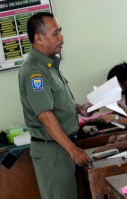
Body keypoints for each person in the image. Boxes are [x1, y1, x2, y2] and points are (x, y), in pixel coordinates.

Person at [18, 12, 92, 199]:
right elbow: (44, 115)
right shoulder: (35, 71)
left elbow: (52, 101)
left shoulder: (48, 66)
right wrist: (73, 150)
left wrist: (76, 108)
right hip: (54, 151)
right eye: (56, 33)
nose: (61, 37)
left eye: (60, 31)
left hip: (62, 146)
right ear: (39, 38)